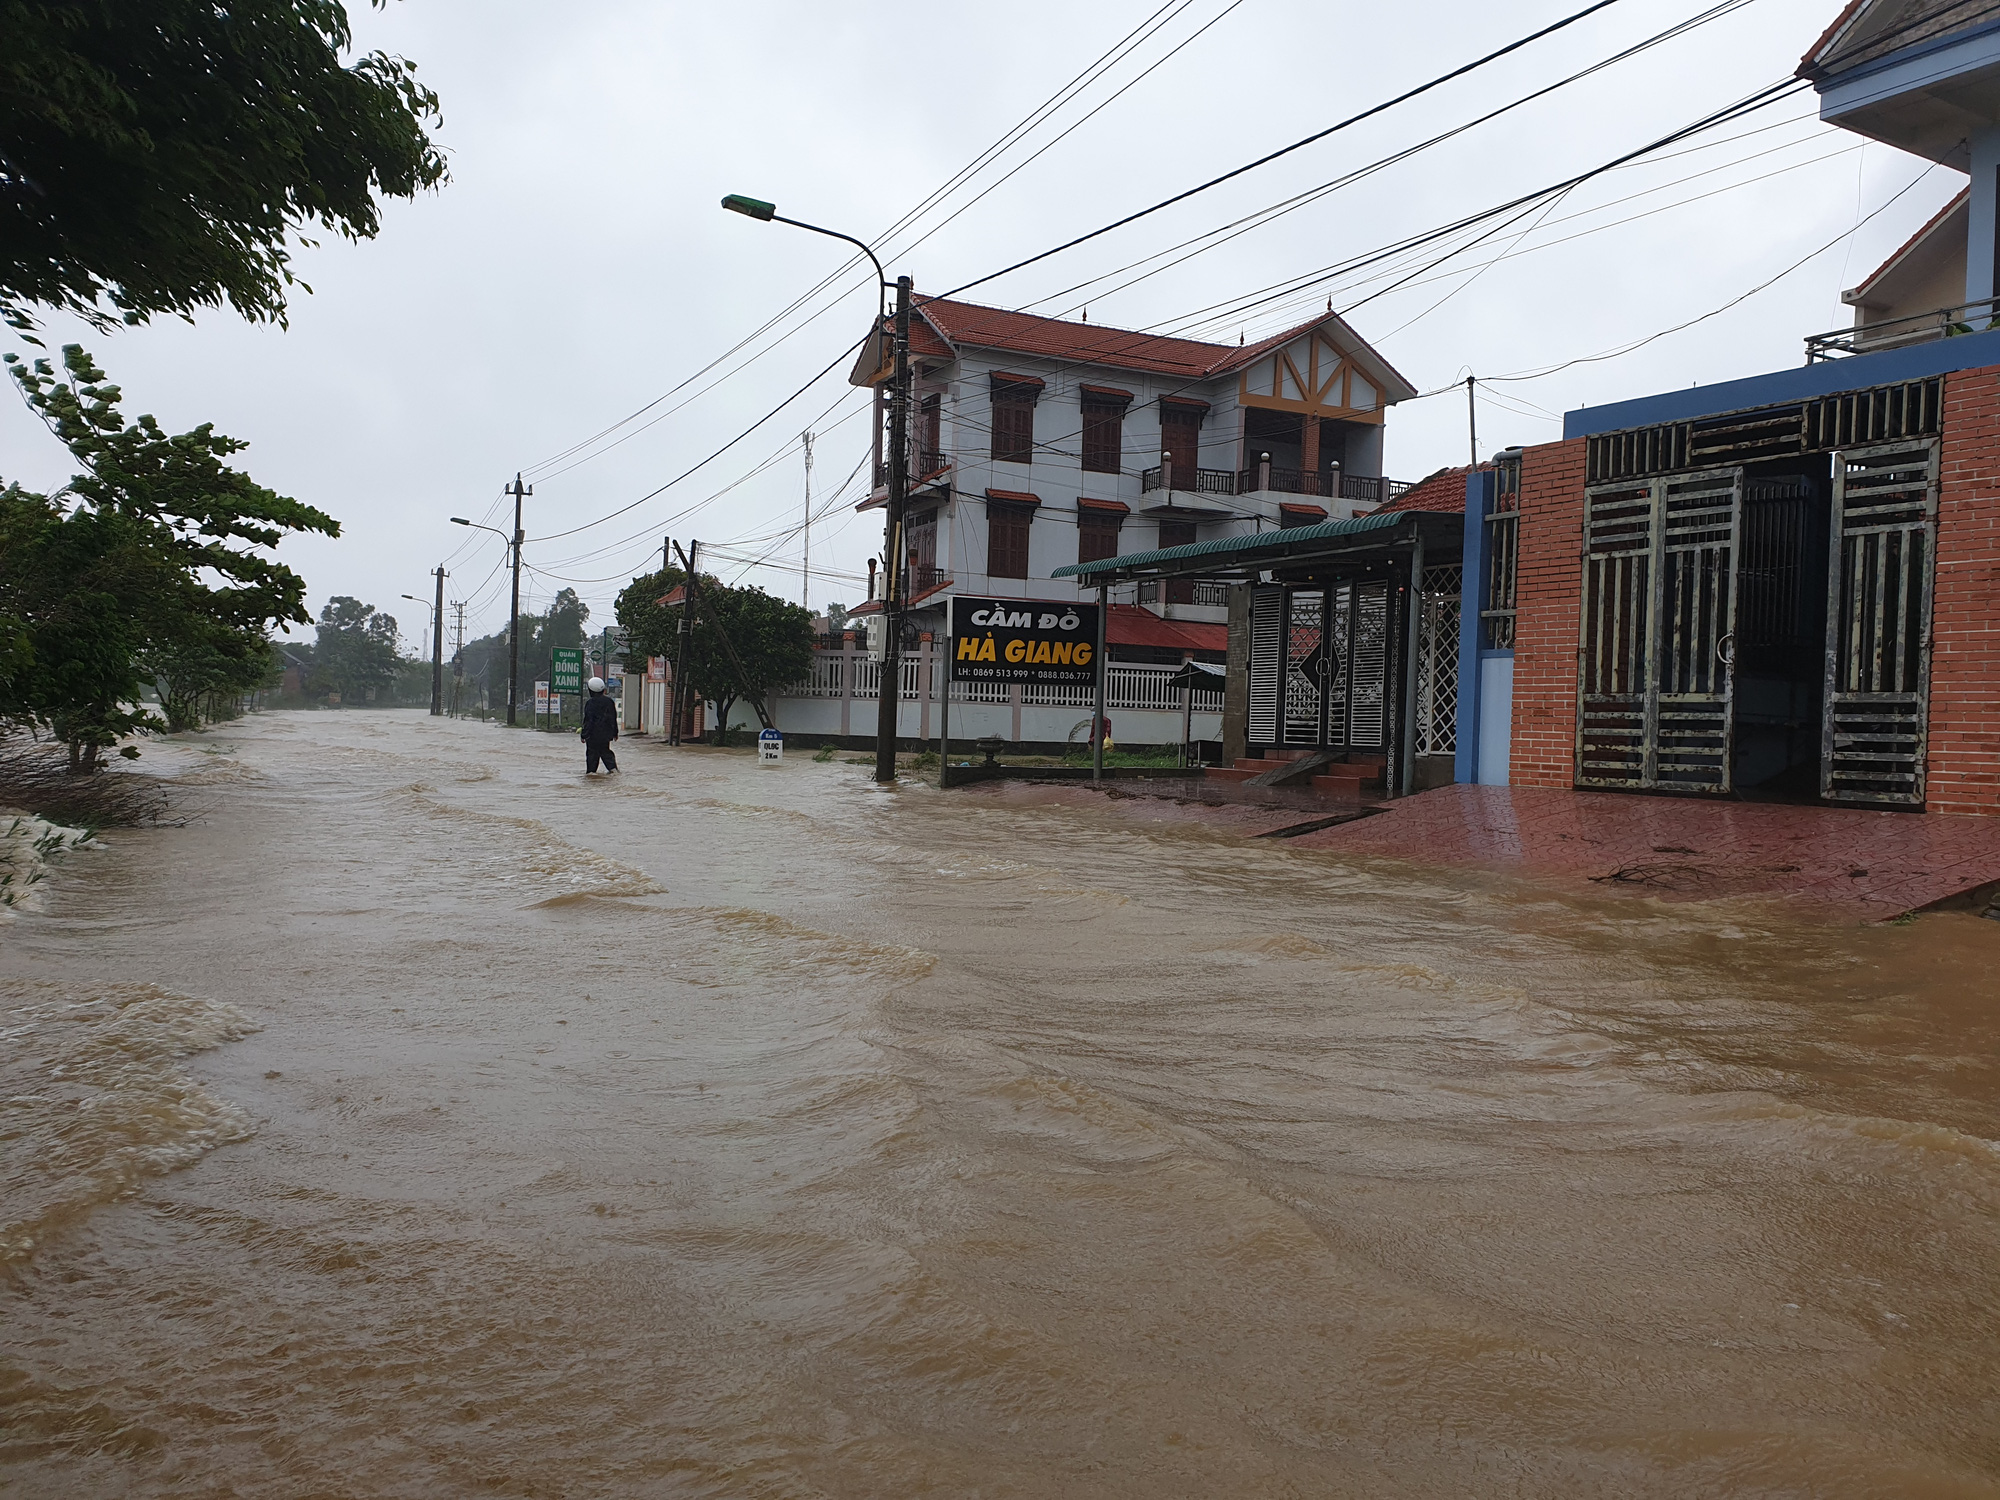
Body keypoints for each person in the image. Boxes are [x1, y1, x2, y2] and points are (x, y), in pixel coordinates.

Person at [580, 676, 618, 774]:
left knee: (592, 756)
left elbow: (588, 720)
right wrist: (615, 733)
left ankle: (591, 773)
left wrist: (584, 734)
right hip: (605, 735)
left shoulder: (590, 703)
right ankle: (613, 770)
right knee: (606, 752)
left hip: (592, 735)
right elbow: (613, 718)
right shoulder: (609, 702)